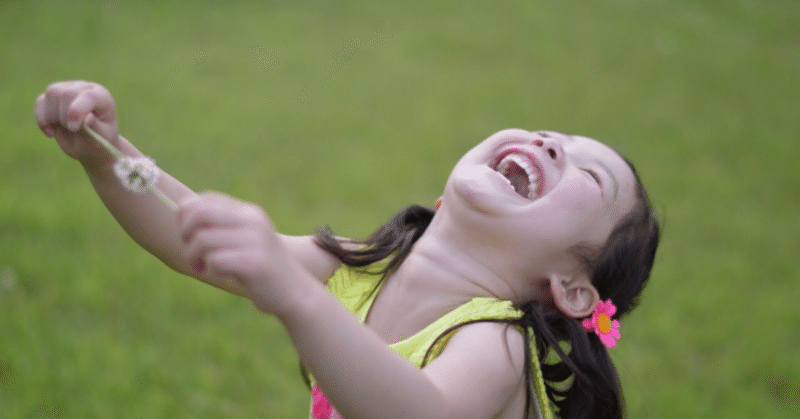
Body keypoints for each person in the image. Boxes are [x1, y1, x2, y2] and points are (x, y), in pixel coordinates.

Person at [35, 80, 660, 419]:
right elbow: (188, 240)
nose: (553, 143)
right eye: (558, 134)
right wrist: (105, 155)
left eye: (590, 174)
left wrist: (298, 302)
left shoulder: (493, 342)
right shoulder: (364, 268)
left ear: (573, 290)